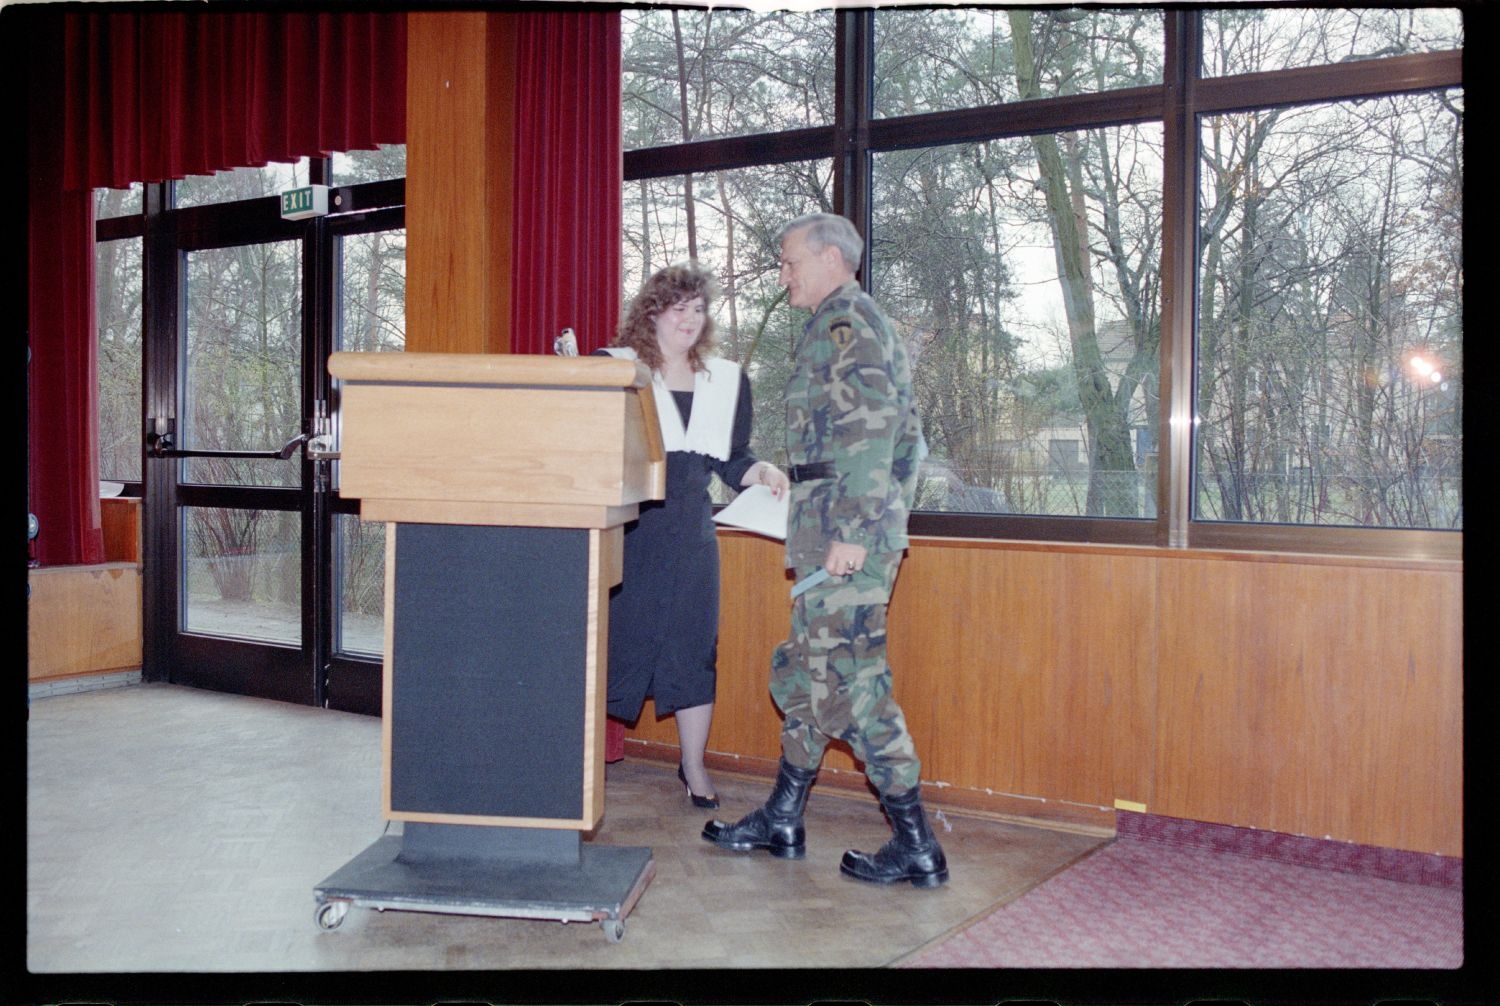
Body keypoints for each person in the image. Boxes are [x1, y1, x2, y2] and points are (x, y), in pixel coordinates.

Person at [702, 213, 947, 888]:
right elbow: (893, 444)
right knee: (808, 672)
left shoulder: (850, 326)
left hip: (848, 540)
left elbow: (873, 438)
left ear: (831, 258)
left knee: (853, 688)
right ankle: (783, 817)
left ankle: (917, 844)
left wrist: (853, 536)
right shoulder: (845, 323)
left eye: (789, 263)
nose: (783, 277)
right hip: (833, 527)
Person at [596, 262, 789, 809]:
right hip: (626, 528)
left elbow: (734, 461)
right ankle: (579, 765)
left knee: (694, 649)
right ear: (652, 312)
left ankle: (693, 767)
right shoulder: (614, 369)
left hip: (690, 533)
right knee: (609, 644)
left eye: (699, 309)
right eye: (678, 308)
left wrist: (765, 472)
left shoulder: (726, 379)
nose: (689, 319)